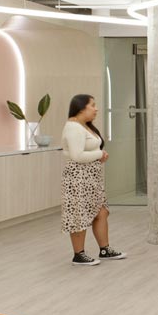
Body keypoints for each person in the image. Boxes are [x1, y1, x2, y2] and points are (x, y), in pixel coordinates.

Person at [60, 94, 125, 266]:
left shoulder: (85, 126)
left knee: (101, 211)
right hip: (78, 177)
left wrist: (98, 156)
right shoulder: (73, 127)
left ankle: (105, 249)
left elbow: (85, 151)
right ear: (81, 108)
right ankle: (78, 254)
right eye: (92, 105)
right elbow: (77, 155)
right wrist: (99, 154)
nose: (96, 109)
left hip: (92, 176)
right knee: (79, 214)